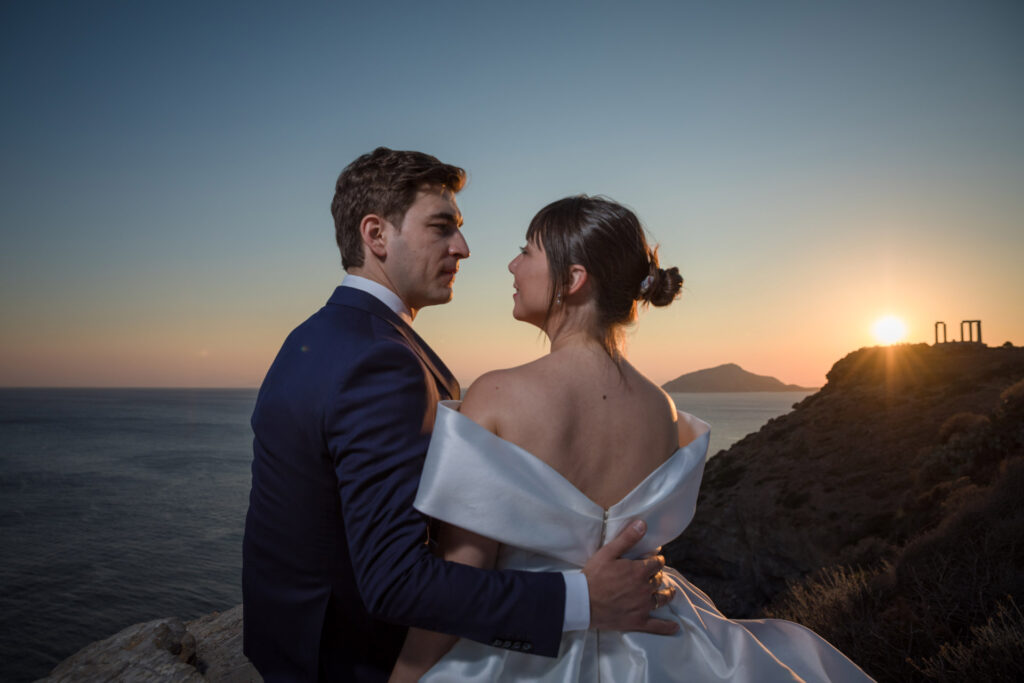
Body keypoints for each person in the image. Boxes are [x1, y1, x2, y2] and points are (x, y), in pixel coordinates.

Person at [389, 195, 875, 681]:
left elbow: (464, 574)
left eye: (527, 251)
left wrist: (405, 676)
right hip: (656, 643)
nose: (513, 265)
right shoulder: (662, 409)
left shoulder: (496, 394)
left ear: (573, 279)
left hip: (530, 648)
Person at [242, 149, 679, 682]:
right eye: (442, 227)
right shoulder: (380, 362)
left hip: (294, 639)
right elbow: (397, 581)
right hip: (346, 658)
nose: (464, 248)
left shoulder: (316, 337)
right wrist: (583, 599)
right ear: (376, 235)